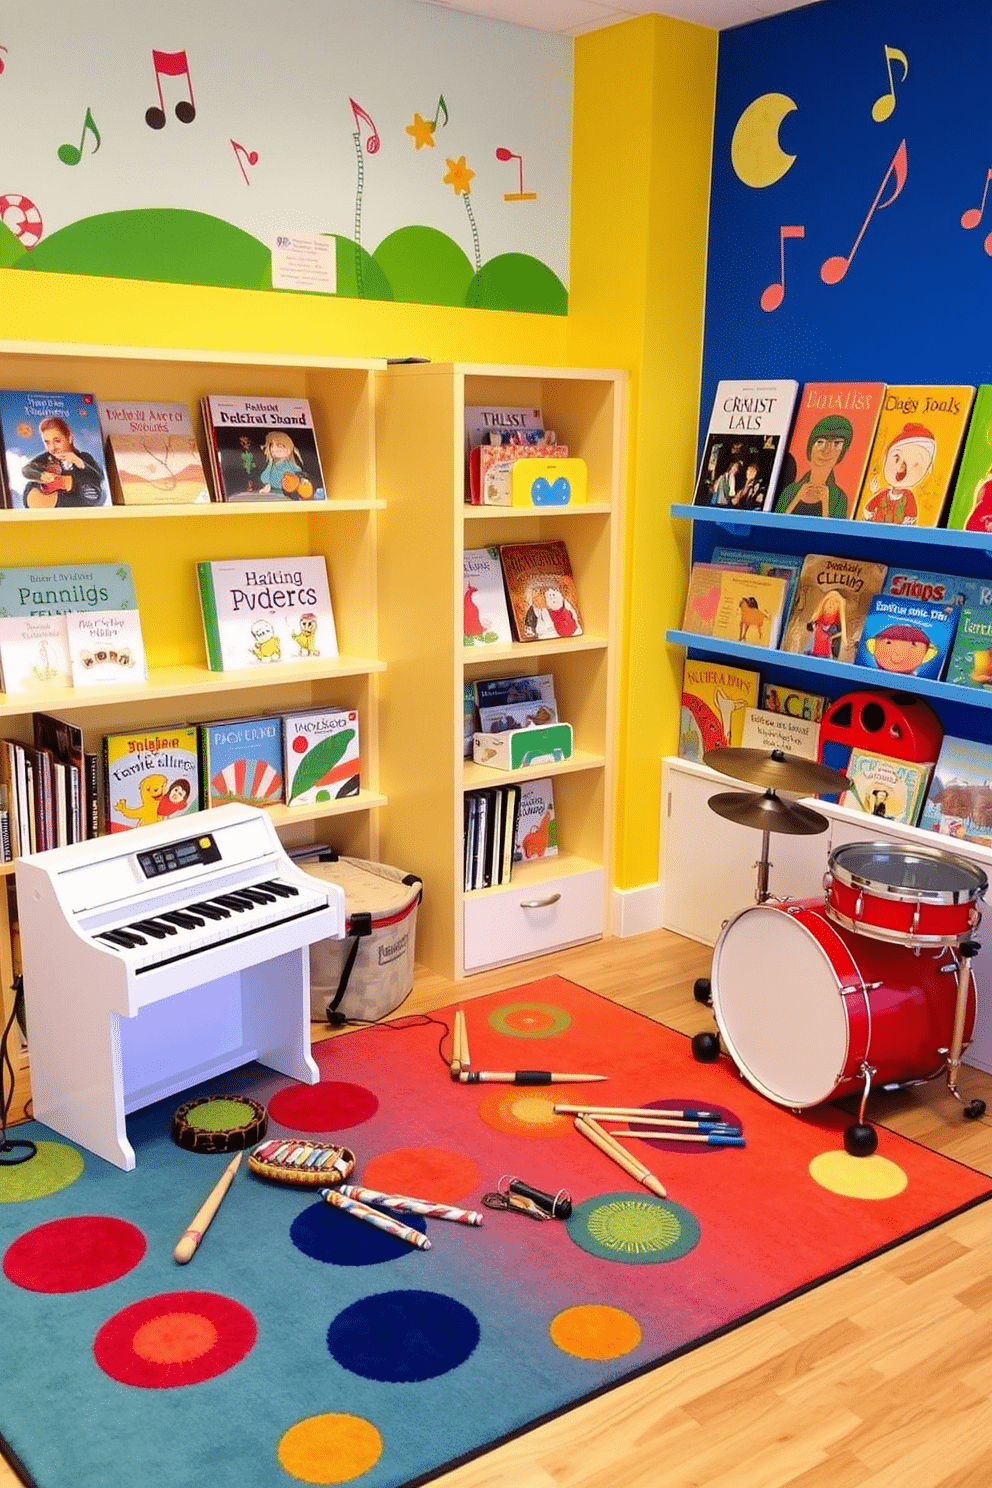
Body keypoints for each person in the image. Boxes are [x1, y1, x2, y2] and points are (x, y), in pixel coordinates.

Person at [776, 414, 854, 518]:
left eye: (836, 444)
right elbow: (777, 522)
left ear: (842, 453)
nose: (826, 450)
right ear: (811, 447)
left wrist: (826, 503)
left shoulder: (840, 498)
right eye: (820, 442)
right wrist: (797, 498)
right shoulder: (790, 490)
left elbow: (833, 531)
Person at [859, 422, 935, 525]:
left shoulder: (908, 497)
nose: (902, 468)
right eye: (896, 459)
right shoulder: (883, 494)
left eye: (915, 463)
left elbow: (910, 516)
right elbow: (869, 507)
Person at [20, 416, 105, 508]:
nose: (52, 448)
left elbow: (99, 476)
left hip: (77, 501)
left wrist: (79, 462)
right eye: (47, 443)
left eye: (57, 441)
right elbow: (26, 470)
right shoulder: (47, 458)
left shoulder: (83, 457)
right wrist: (41, 475)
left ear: (69, 438)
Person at [260, 430, 313, 498]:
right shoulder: (272, 464)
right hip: (273, 491)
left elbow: (297, 472)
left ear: (288, 449)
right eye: (273, 451)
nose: (275, 453)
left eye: (279, 450)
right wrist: (267, 484)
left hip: (288, 491)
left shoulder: (289, 464)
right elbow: (266, 474)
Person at [805, 589, 847, 658]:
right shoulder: (817, 620)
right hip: (813, 650)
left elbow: (842, 632)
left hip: (825, 653)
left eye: (834, 604)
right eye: (829, 602)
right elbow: (810, 626)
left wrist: (832, 637)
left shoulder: (834, 626)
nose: (831, 606)